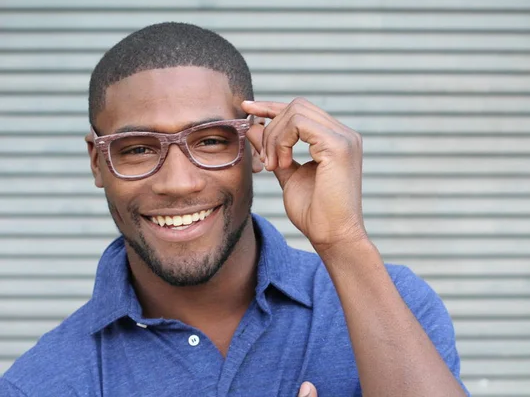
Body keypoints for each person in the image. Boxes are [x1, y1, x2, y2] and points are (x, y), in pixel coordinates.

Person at [0, 22, 469, 396]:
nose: (178, 183)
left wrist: (342, 240)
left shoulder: (392, 304)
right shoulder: (40, 384)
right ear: (98, 162)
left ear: (255, 144)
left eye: (209, 141)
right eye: (138, 149)